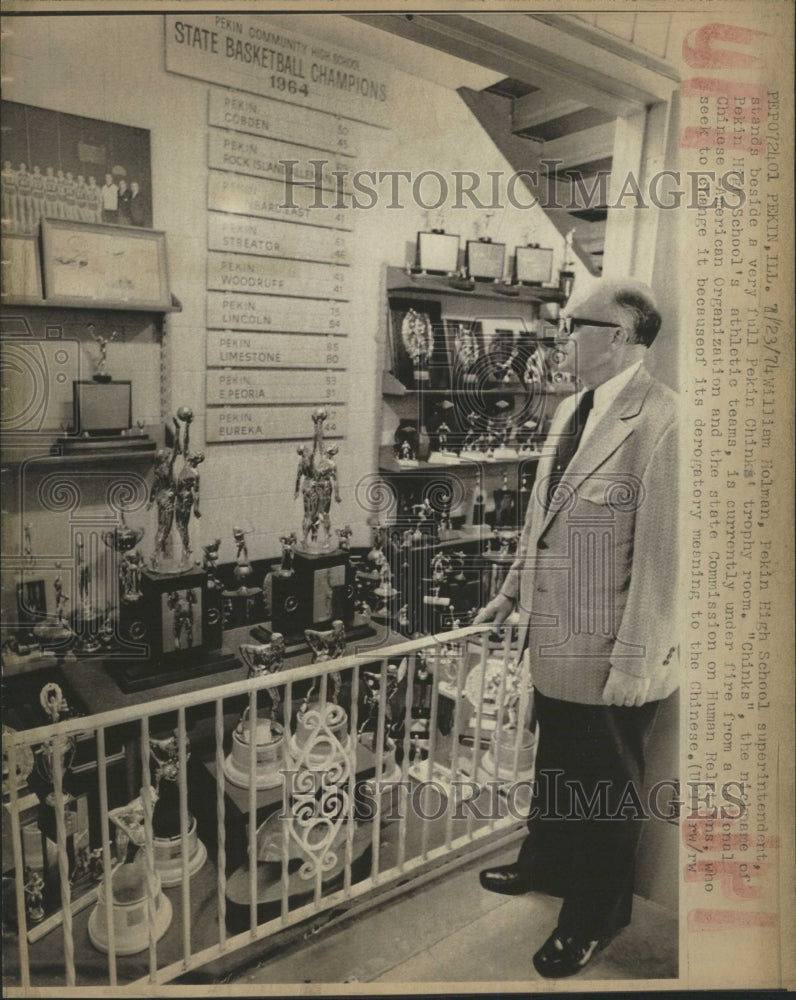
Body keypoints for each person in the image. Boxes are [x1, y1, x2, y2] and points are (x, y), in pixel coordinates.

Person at [475, 278, 679, 979]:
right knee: (556, 766)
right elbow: (541, 521)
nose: (562, 336)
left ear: (618, 336)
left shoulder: (665, 420)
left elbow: (663, 560)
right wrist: (507, 593)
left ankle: (593, 917)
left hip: (607, 655)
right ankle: (546, 865)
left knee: (604, 792)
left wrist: (635, 661)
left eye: (574, 324)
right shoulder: (572, 409)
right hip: (555, 644)